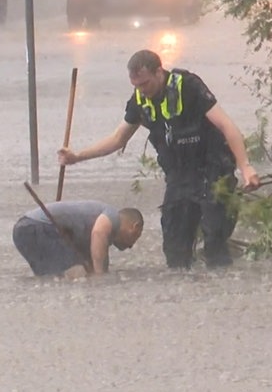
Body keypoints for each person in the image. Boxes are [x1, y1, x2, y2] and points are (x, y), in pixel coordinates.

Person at [57, 49, 261, 269]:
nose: (141, 91)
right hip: (179, 177)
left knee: (214, 240)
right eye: (136, 86)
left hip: (212, 170)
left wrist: (245, 166)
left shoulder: (188, 86)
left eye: (145, 84)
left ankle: (221, 288)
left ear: (158, 72)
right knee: (175, 249)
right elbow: (117, 139)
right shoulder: (139, 101)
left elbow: (226, 125)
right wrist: (77, 157)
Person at [13, 200, 144, 278]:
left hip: (23, 230)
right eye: (135, 237)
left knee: (52, 279)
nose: (131, 246)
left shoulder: (91, 237)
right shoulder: (113, 216)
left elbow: (95, 255)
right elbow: (99, 233)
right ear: (135, 227)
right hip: (35, 228)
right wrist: (100, 279)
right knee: (77, 273)